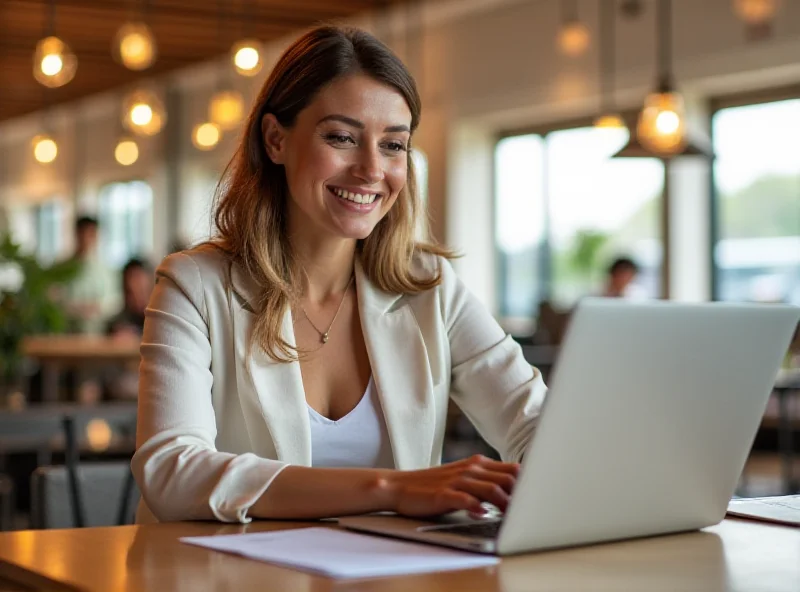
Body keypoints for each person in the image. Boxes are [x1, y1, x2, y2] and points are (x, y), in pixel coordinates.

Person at [132, 25, 547, 524]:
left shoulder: (429, 287)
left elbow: (535, 424)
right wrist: (390, 488)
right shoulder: (194, 285)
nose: (372, 169)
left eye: (394, 145)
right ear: (275, 139)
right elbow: (173, 471)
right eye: (342, 138)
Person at [62, 216, 119, 334]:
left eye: (91, 235)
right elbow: (55, 300)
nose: (86, 239)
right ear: (76, 235)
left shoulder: (106, 270)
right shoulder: (62, 269)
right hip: (68, 333)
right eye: (83, 234)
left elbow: (115, 302)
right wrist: (77, 309)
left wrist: (97, 308)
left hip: (100, 334)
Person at [106, 258, 154, 338]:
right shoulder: (116, 325)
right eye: (130, 292)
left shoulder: (160, 322)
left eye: (141, 291)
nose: (136, 298)